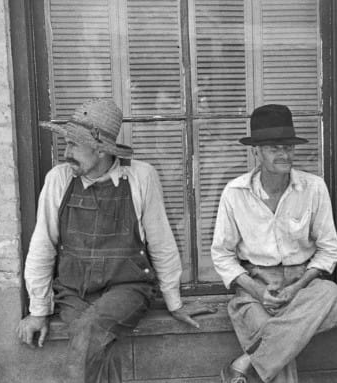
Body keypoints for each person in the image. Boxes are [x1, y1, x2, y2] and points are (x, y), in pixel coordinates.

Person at [16, 99, 215, 383]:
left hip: (128, 287)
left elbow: (161, 241)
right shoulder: (58, 179)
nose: (66, 152)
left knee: (87, 333)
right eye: (66, 144)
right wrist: (38, 310)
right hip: (74, 291)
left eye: (74, 145)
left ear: (99, 149)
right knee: (97, 343)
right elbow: (42, 245)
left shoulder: (140, 176)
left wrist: (174, 301)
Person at [211, 104, 337, 383]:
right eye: (274, 148)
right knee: (271, 334)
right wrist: (258, 291)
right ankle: (253, 357)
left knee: (330, 294)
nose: (284, 155)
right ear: (255, 151)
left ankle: (245, 361)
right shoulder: (235, 193)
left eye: (288, 147)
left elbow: (329, 249)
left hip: (303, 288)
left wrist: (297, 287)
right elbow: (222, 255)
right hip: (255, 287)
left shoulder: (313, 187)